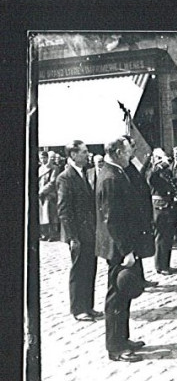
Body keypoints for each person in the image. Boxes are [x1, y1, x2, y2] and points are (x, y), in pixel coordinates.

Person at [95, 137, 145, 362]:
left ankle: (123, 338)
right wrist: (126, 251)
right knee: (115, 298)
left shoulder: (118, 171)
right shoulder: (110, 178)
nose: (131, 155)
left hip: (123, 245)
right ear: (116, 152)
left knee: (124, 295)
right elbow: (112, 220)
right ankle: (115, 347)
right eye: (127, 152)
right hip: (118, 248)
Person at [57, 140, 101, 321]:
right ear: (73, 155)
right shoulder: (65, 177)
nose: (87, 154)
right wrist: (72, 237)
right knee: (79, 270)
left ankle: (88, 306)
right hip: (78, 234)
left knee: (90, 269)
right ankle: (78, 308)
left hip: (89, 232)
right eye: (83, 152)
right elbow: (64, 210)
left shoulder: (83, 174)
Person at [122, 149, 156, 288]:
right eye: (131, 147)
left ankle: (140, 278)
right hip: (132, 213)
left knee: (138, 250)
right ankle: (133, 280)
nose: (134, 150)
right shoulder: (125, 167)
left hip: (140, 212)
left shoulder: (133, 163)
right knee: (132, 250)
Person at [147, 148, 177, 275]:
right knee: (161, 237)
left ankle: (166, 264)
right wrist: (159, 165)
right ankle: (160, 265)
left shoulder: (166, 171)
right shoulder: (153, 171)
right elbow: (150, 179)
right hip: (159, 207)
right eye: (159, 157)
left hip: (169, 205)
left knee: (168, 236)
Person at [38, 150, 61, 241]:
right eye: (41, 158)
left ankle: (53, 234)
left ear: (48, 158)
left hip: (49, 194)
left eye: (44, 158)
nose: (43, 160)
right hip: (40, 194)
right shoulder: (40, 169)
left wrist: (42, 191)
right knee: (42, 215)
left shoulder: (54, 168)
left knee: (51, 214)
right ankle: (44, 234)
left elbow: (52, 182)